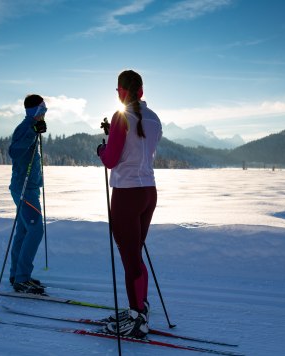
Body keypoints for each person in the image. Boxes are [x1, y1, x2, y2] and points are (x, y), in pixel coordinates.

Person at [97, 70, 162, 338]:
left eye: (117, 90)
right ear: (142, 91)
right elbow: (140, 144)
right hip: (148, 192)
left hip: (127, 194)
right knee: (136, 252)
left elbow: (111, 159)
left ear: (122, 91)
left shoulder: (121, 116)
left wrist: (102, 148)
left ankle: (136, 319)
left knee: (129, 257)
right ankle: (140, 307)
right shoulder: (154, 118)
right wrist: (115, 134)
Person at [8, 94, 48, 294]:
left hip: (28, 187)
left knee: (24, 231)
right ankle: (22, 278)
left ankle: (17, 275)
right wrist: (32, 133)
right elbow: (14, 152)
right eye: (42, 110)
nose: (44, 114)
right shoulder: (25, 128)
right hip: (24, 188)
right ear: (35, 111)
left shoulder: (31, 127)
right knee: (36, 230)